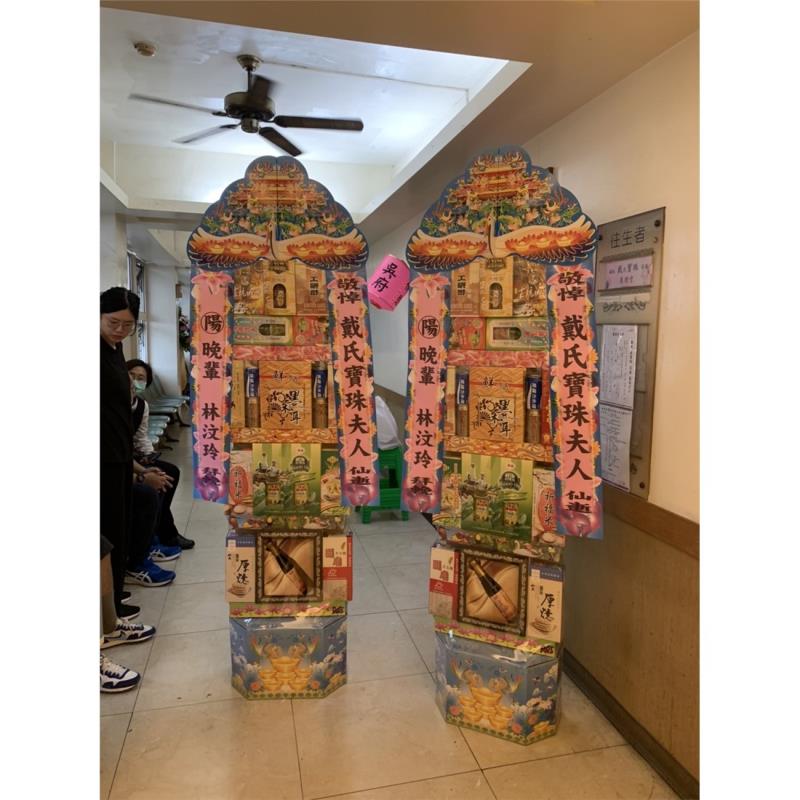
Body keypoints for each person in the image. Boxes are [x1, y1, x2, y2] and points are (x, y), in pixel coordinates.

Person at [127, 358, 195, 550]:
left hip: (133, 457)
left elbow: (141, 438)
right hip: (119, 462)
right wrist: (144, 471)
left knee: (169, 473)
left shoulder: (141, 406)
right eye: (131, 375)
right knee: (156, 485)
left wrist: (150, 458)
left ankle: (160, 531)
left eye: (141, 378)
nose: (135, 381)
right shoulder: (111, 405)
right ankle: (164, 534)